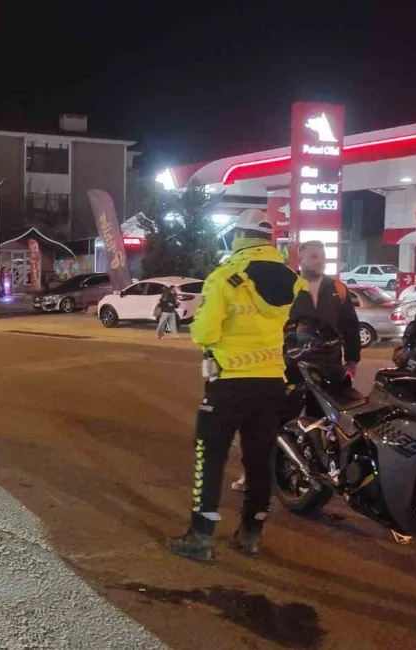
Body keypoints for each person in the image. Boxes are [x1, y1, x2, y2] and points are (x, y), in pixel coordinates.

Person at [167, 209, 303, 562]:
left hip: (228, 383)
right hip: (272, 382)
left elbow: (206, 332)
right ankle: (251, 534)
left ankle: (201, 536)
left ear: (240, 236)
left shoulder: (224, 276)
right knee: (259, 463)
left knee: (210, 460)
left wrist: (201, 326)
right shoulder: (292, 279)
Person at [230, 240, 360, 492]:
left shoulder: (337, 290)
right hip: (289, 367)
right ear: (299, 260)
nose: (319, 260)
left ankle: (314, 478)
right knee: (274, 422)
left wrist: (352, 361)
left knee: (322, 427)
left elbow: (350, 327)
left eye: (322, 256)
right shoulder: (284, 287)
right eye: (313, 256)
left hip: (328, 371)